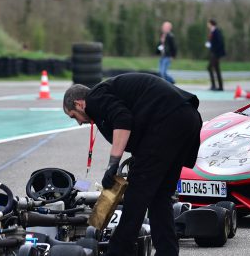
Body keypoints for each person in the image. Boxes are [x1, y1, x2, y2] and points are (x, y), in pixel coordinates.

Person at [63, 73, 201, 256]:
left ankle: (118, 251)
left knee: (136, 196)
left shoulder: (95, 98)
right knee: (160, 197)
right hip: (187, 119)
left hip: (168, 121)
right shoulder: (110, 92)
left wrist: (113, 164)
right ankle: (167, 252)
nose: (79, 122)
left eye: (74, 116)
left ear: (79, 104)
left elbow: (123, 119)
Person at [206, 19, 225, 91]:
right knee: (216, 69)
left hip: (216, 54)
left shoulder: (216, 31)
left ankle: (215, 86)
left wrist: (216, 52)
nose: (207, 25)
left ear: (211, 24)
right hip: (214, 53)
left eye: (208, 24)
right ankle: (219, 86)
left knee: (210, 68)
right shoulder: (213, 31)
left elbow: (220, 43)